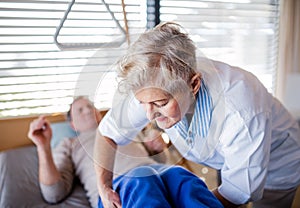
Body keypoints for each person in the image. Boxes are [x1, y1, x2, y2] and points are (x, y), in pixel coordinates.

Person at [94, 22, 300, 208]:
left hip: (279, 165)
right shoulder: (150, 84)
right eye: (142, 104)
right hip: (227, 157)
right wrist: (104, 188)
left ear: (193, 84)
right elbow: (107, 134)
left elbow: (239, 191)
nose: (149, 115)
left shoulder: (241, 111)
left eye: (161, 103)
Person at [28, 96, 222, 208]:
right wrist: (43, 147)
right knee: (142, 178)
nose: (87, 111)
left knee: (182, 176)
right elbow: (53, 194)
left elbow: (160, 161)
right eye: (80, 110)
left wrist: (159, 150)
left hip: (156, 172)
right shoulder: (70, 144)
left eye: (90, 106)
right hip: (115, 189)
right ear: (72, 124)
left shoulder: (122, 130)